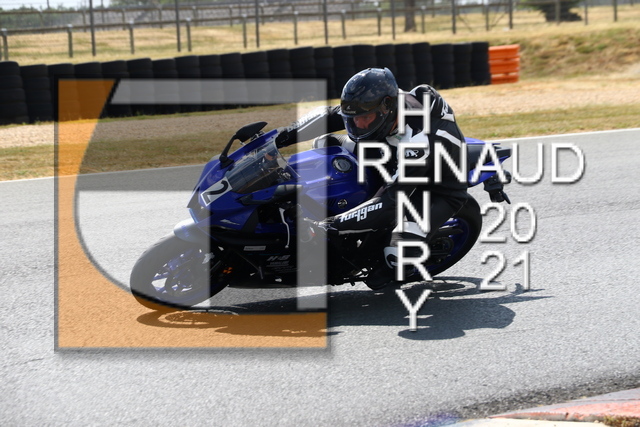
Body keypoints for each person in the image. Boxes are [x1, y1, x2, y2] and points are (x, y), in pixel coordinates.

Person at [275, 67, 468, 290]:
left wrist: (328, 225)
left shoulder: (417, 141)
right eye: (354, 119)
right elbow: (330, 115)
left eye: (365, 118)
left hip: (435, 189)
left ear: (387, 108)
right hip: (391, 154)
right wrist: (279, 137)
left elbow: (390, 202)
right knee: (325, 145)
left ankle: (400, 266)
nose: (358, 125)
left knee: (392, 262)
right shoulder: (383, 104)